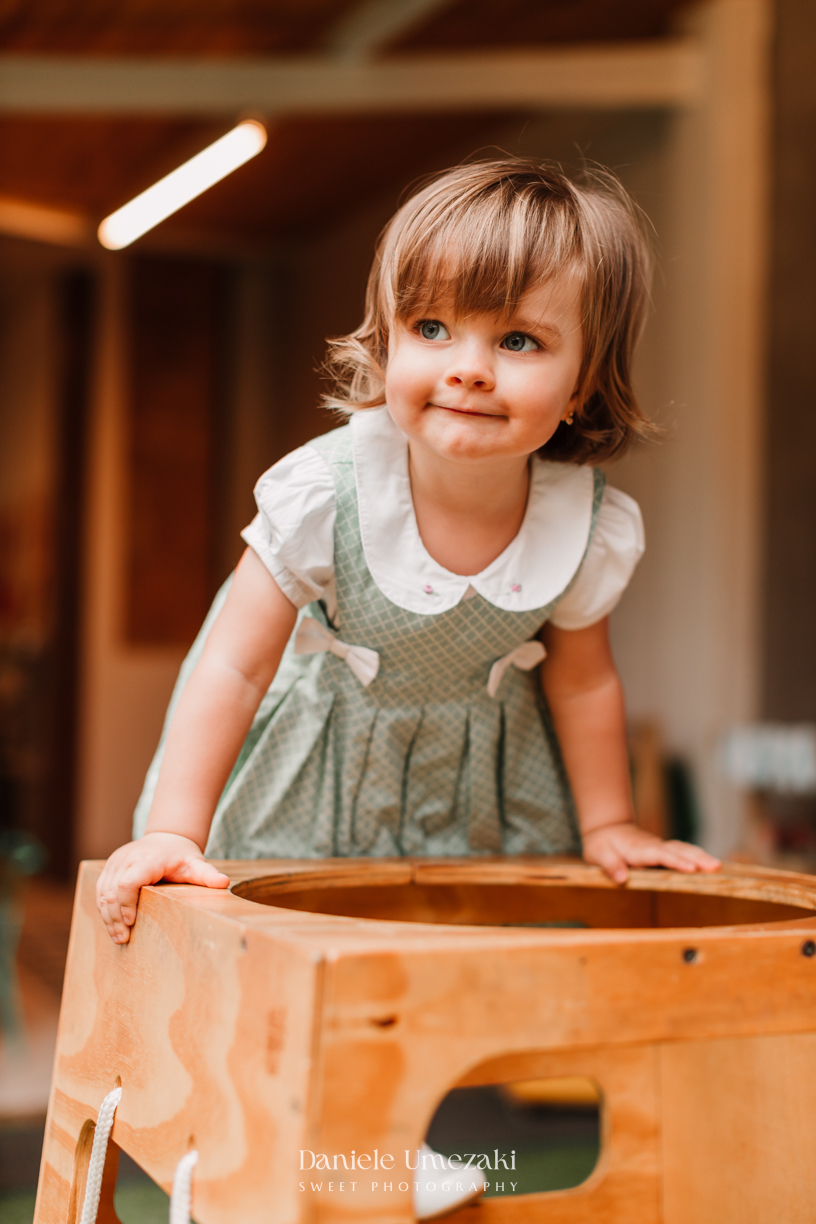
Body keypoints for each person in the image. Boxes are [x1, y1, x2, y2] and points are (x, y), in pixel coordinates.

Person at [98, 157, 720, 947]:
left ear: (582, 387)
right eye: (431, 329)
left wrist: (609, 825)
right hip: (312, 782)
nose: (469, 368)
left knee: (460, 965)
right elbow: (233, 665)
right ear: (385, 345)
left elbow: (584, 681)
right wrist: (174, 831)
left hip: (473, 800)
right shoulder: (328, 495)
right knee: (289, 957)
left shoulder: (582, 525)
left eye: (519, 340)